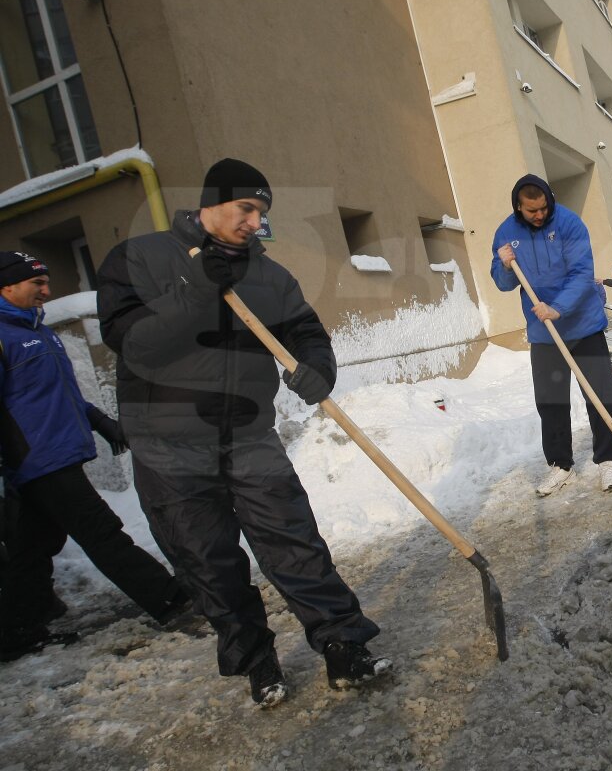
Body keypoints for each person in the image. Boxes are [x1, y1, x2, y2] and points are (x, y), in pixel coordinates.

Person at [96, 158, 390, 707]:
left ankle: (344, 644)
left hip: (249, 435)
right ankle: (257, 661)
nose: (256, 221)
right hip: (168, 447)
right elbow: (133, 343)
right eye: (247, 208)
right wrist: (198, 292)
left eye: (263, 212)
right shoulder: (140, 259)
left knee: (295, 545)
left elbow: (306, 330)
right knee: (209, 565)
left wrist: (317, 366)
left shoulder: (269, 275)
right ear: (211, 202)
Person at [0, 251, 189, 662]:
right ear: (7, 286)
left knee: (32, 547)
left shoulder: (38, 331)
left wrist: (102, 423)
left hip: (54, 455)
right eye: (37, 284)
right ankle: (171, 599)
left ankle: (16, 631)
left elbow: (62, 394)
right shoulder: (3, 336)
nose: (47, 292)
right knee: (101, 531)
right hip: (37, 460)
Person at [492, 174, 612, 497]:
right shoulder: (506, 233)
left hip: (582, 324)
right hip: (543, 333)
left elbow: (582, 274)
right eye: (531, 211)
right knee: (550, 401)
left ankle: (608, 459)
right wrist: (504, 265)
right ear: (518, 208)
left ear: (549, 200)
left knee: (599, 393)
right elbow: (502, 283)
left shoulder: (569, 224)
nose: (539, 215)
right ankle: (560, 465)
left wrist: (558, 308)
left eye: (543, 208)